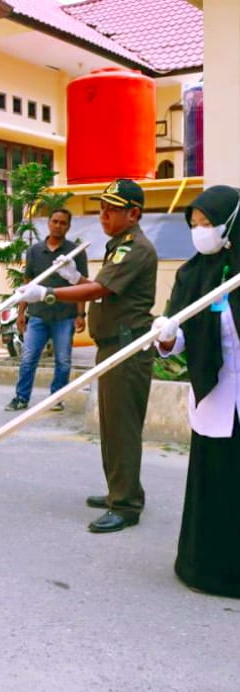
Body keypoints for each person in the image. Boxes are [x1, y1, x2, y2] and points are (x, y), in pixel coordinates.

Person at [18, 179, 157, 533]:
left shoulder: (135, 248)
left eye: (112, 209)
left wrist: (49, 292)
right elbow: (101, 285)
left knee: (122, 427)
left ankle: (126, 505)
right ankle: (120, 490)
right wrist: (72, 275)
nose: (103, 215)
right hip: (113, 344)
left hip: (126, 347)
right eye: (102, 208)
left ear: (134, 213)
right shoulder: (119, 245)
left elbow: (101, 288)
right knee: (112, 426)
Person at [152, 185, 240, 597]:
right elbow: (182, 335)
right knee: (218, 482)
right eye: (195, 224)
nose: (200, 231)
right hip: (219, 396)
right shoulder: (192, 274)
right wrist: (166, 336)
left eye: (208, 224)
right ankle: (207, 567)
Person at [5, 208, 88, 412]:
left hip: (64, 316)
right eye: (55, 221)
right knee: (28, 358)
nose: (58, 226)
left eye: (63, 223)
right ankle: (21, 397)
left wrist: (80, 314)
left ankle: (55, 398)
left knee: (63, 360)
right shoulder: (34, 251)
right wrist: (21, 312)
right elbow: (27, 283)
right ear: (49, 223)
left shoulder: (75, 252)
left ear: (68, 226)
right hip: (38, 314)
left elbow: (82, 286)